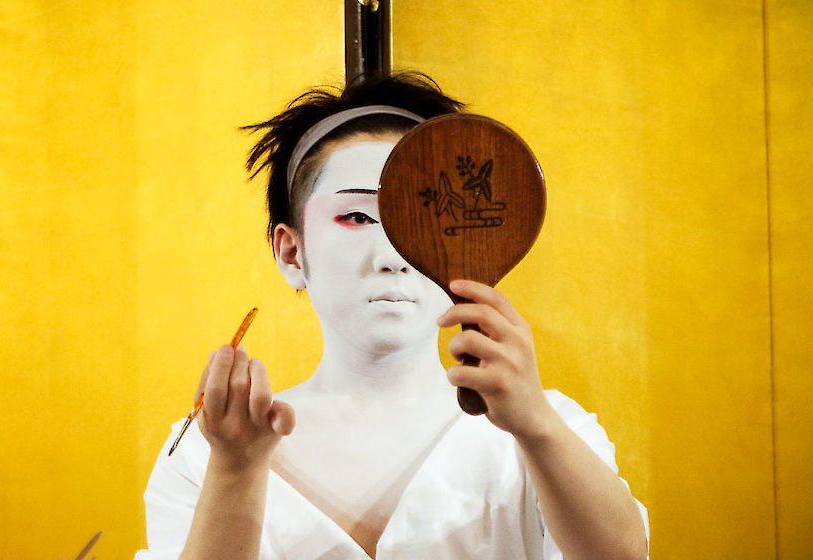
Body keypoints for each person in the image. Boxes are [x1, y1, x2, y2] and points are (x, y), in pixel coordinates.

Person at [136, 72, 649, 560]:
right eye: (356, 217)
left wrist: (536, 425)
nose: (393, 255)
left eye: (419, 218)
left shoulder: (547, 428)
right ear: (292, 253)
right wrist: (234, 471)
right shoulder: (208, 449)